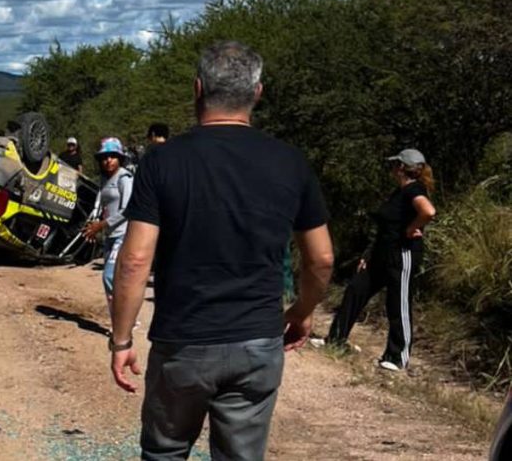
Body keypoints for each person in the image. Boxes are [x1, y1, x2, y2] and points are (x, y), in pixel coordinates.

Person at [109, 40, 335, 460]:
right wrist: (302, 312)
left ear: (197, 88)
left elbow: (135, 259)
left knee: (164, 452)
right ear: (257, 93)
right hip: (257, 339)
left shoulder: (161, 161)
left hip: (183, 340)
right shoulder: (290, 161)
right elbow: (321, 258)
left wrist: (121, 340)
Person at [319, 149, 436, 371]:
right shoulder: (398, 192)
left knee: (397, 303)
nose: (391, 168)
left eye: (394, 164)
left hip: (402, 254)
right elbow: (384, 228)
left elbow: (428, 211)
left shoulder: (414, 189)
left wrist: (412, 228)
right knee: (355, 290)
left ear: (401, 167)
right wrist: (367, 256)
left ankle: (397, 357)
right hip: (381, 254)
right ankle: (335, 339)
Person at [82, 137, 134, 316]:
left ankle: (124, 318)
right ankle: (119, 320)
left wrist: (101, 225)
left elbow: (128, 209)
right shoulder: (104, 180)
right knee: (115, 280)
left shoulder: (124, 178)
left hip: (123, 234)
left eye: (112, 156)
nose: (108, 160)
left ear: (120, 158)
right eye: (104, 157)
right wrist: (93, 224)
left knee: (109, 277)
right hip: (109, 235)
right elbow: (99, 204)